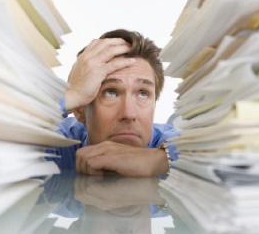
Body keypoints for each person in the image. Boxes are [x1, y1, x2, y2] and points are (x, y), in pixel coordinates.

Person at [47, 29, 179, 176]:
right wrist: (72, 96)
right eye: (111, 92)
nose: (129, 114)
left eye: (143, 93)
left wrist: (158, 161)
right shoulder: (59, 145)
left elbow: (207, 153)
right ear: (80, 110)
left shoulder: (170, 142)